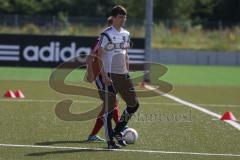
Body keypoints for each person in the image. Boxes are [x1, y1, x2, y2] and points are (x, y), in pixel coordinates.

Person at [97, 5, 139, 149]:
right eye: (120, 17)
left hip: (123, 74)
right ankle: (110, 142)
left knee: (134, 104)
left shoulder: (126, 34)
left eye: (124, 17)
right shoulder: (106, 34)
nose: (123, 19)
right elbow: (99, 56)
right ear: (114, 18)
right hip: (109, 74)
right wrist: (104, 76)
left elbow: (125, 53)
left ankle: (117, 131)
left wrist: (127, 71)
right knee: (109, 109)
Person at [85, 17, 121, 142]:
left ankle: (93, 135)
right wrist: (91, 73)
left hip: (111, 75)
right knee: (112, 102)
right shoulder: (103, 37)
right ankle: (121, 129)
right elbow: (91, 56)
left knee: (110, 104)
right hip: (101, 76)